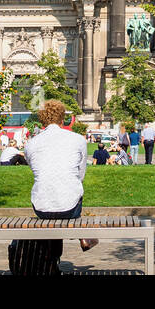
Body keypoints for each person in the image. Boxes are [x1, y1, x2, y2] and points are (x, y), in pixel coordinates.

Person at [12, 100, 95, 274]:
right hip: (70, 208)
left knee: (52, 210)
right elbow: (80, 175)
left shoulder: (31, 143)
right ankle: (83, 236)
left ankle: (51, 264)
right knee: (72, 194)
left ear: (42, 120)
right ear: (62, 119)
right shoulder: (78, 139)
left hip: (41, 207)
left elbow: (36, 170)